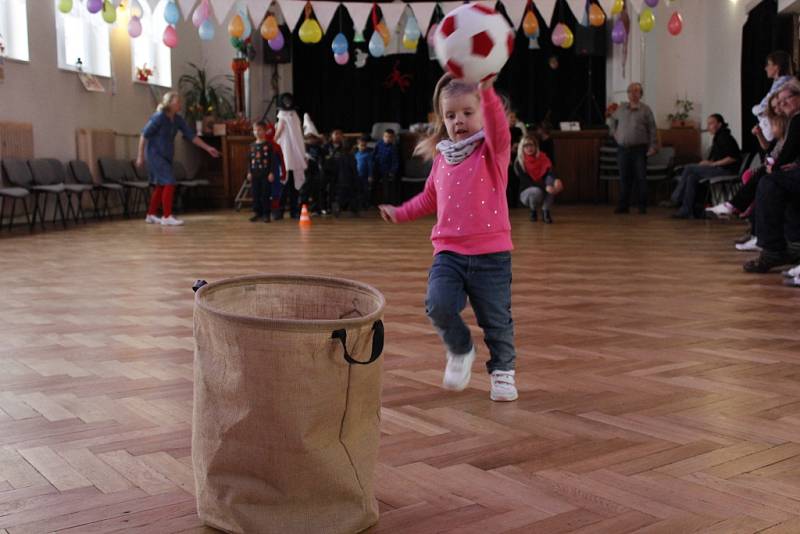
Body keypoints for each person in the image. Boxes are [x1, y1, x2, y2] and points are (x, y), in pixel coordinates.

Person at [378, 73, 518, 403]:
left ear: (483, 112)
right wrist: (400, 212)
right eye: (451, 115)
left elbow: (499, 127)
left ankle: (503, 371)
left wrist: (487, 90)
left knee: (496, 320)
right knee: (438, 304)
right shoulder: (442, 158)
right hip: (449, 253)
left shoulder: (493, 152)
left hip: (491, 256)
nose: (459, 121)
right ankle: (460, 348)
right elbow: (429, 199)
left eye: (468, 113)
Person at [706, 93, 791, 251]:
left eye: (780, 104)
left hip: (780, 170)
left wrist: (775, 166)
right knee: (757, 180)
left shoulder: (789, 124)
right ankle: (751, 227)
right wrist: (759, 134)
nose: (778, 107)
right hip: (776, 167)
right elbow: (770, 149)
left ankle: (737, 209)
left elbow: (785, 154)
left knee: (762, 182)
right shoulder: (782, 124)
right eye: (774, 106)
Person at [136, 91, 219, 226]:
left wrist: (208, 148)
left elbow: (191, 136)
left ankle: (150, 215)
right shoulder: (158, 117)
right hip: (154, 155)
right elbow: (143, 135)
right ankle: (167, 216)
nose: (180, 104)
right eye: (178, 102)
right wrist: (140, 156)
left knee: (160, 186)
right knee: (169, 182)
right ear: (169, 103)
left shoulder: (178, 119)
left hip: (166, 156)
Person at [744, 81, 800, 274]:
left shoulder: (797, 119)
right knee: (771, 180)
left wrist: (776, 167)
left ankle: (774, 249)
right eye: (780, 102)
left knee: (770, 181)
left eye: (787, 100)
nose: (782, 104)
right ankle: (787, 245)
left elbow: (786, 154)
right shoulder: (793, 121)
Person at [668, 114, 741, 219]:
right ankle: (686, 210)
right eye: (708, 124)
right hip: (719, 168)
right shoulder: (718, 137)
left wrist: (712, 164)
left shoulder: (725, 137)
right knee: (691, 177)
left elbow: (733, 158)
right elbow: (718, 157)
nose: (708, 126)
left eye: (711, 123)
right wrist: (708, 162)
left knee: (689, 168)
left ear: (719, 124)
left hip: (727, 171)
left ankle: (676, 198)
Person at [607, 83, 658, 214]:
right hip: (623, 149)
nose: (633, 93)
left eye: (636, 91)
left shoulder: (646, 110)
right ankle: (623, 206)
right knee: (624, 178)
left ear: (641, 94)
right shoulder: (621, 108)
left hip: (639, 149)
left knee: (641, 177)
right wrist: (614, 133)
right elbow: (612, 120)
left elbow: (652, 129)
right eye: (630, 91)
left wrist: (653, 146)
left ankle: (642, 206)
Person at [514, 133, 563, 223]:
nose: (529, 148)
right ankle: (533, 211)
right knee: (536, 190)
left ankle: (546, 211)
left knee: (552, 181)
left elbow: (550, 172)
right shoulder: (519, 162)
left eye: (531, 145)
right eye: (526, 146)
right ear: (522, 147)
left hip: (542, 188)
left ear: (536, 146)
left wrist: (556, 180)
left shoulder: (543, 157)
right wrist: (546, 187)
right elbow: (527, 182)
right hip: (527, 193)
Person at [275, 93, 307, 219]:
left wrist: (272, 142)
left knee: (285, 184)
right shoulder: (295, 115)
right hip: (295, 154)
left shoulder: (283, 115)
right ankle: (293, 211)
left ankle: (282, 211)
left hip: (287, 153)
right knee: (292, 185)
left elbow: (279, 131)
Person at [753, 50, 794, 142]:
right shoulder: (779, 82)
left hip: (781, 128)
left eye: (768, 64)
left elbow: (763, 108)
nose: (765, 68)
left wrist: (757, 110)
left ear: (776, 67)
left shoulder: (783, 82)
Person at [246, 121, 275, 223]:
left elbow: (272, 160)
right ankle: (257, 213)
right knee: (255, 194)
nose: (257, 132)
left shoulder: (269, 145)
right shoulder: (251, 145)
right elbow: (249, 160)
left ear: (265, 131)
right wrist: (249, 172)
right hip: (254, 174)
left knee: (265, 194)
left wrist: (271, 172)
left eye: (259, 130)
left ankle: (266, 214)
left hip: (266, 174)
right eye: (255, 130)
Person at [372, 129, 400, 205]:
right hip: (377, 169)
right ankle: (374, 202)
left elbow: (395, 162)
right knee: (374, 184)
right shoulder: (379, 144)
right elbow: (373, 156)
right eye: (386, 136)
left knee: (386, 188)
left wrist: (392, 171)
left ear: (393, 138)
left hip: (387, 171)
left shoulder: (393, 148)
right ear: (383, 137)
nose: (387, 138)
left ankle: (386, 203)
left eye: (390, 137)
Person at [355, 135, 373, 209]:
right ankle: (360, 204)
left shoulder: (368, 155)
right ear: (357, 145)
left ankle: (367, 204)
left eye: (364, 146)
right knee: (359, 191)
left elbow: (370, 166)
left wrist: (370, 175)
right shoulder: (356, 154)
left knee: (366, 191)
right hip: (358, 176)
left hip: (365, 177)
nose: (363, 147)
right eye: (361, 145)